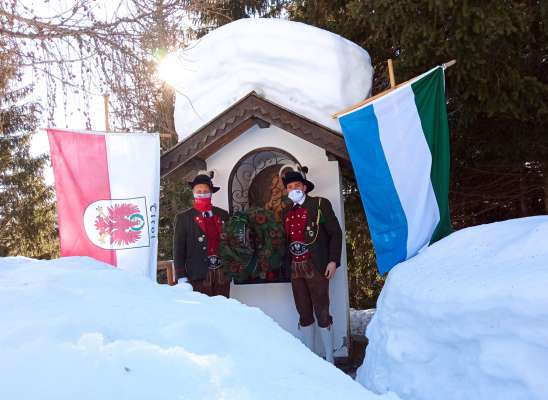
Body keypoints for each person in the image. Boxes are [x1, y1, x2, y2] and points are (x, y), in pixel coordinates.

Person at [280, 164, 342, 363]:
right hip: (295, 269)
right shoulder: (286, 212)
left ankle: (330, 358)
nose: (293, 190)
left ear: (304, 187)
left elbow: (335, 233)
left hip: (316, 266)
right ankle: (311, 360)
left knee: (322, 310)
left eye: (297, 185)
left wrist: (333, 261)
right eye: (289, 187)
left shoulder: (320, 204)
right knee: (304, 312)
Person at [173, 171, 230, 297]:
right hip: (198, 273)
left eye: (205, 191)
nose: (202, 194)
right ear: (193, 193)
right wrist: (180, 275)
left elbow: (231, 242)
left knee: (224, 311)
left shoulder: (223, 214)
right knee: (203, 313)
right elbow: (178, 249)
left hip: (222, 273)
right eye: (198, 191)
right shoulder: (184, 218)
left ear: (211, 193)